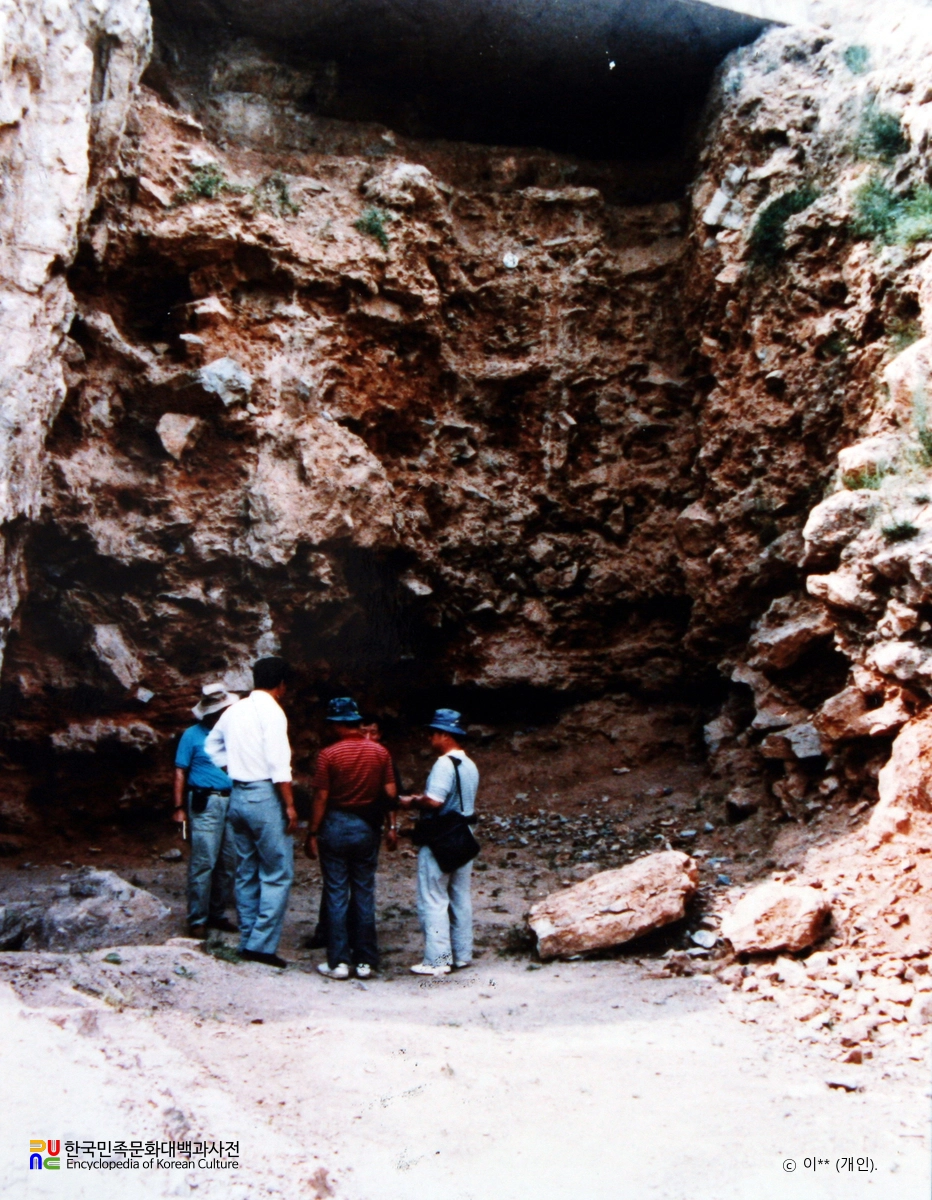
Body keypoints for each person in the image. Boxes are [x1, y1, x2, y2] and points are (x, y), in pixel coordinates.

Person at [205, 657, 297, 968]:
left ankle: (247, 939)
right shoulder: (273, 711)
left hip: (238, 795)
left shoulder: (235, 709)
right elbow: (278, 764)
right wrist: (289, 805)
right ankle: (261, 944)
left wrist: (231, 767)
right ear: (281, 684)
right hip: (264, 794)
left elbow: (210, 745)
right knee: (277, 871)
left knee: (246, 870)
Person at [306, 698, 397, 980]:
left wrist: (312, 832)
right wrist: (391, 825)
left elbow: (321, 797)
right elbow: (390, 793)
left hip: (335, 824)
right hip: (367, 826)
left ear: (337, 724)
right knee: (364, 892)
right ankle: (366, 960)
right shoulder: (380, 753)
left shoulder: (328, 755)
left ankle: (339, 961)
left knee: (335, 893)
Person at [400, 709, 479, 977]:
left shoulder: (444, 764)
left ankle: (437, 959)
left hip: (442, 835)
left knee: (432, 897)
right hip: (465, 833)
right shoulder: (469, 764)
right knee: (460, 896)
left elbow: (435, 801)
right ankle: (462, 954)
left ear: (444, 734)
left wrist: (413, 800)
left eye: (433, 733)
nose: (430, 738)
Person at [172, 683, 240, 939]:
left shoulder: (233, 735)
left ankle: (217, 914)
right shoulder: (191, 735)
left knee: (229, 861)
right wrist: (179, 808)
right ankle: (197, 918)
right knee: (204, 861)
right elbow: (180, 771)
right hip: (205, 800)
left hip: (232, 800)